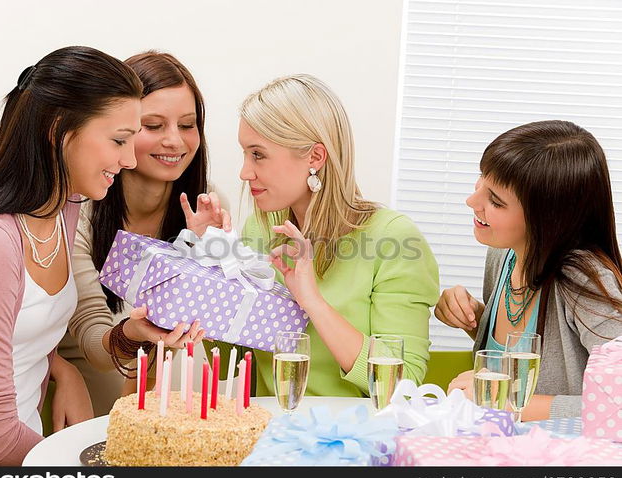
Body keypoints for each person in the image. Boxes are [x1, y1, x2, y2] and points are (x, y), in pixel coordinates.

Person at [0, 46, 144, 466]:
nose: (129, 159)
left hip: (23, 450)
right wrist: (83, 467)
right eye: (119, 140)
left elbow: (8, 332)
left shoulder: (64, 209)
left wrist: (62, 366)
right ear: (59, 130)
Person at [194, 74, 439, 397]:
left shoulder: (394, 241)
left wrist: (311, 301)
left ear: (315, 158)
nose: (244, 172)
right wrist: (212, 265)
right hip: (274, 435)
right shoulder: (261, 229)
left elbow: (401, 386)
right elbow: (231, 363)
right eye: (245, 154)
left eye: (258, 154)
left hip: (357, 439)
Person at [61, 51, 226, 413]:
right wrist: (138, 330)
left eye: (187, 125)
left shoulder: (205, 208)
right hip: (90, 412)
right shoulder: (78, 209)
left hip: (172, 416)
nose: (175, 141)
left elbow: (218, 336)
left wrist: (208, 255)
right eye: (153, 126)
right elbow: (95, 346)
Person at [436, 120, 622, 420]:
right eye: (481, 180)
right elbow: (521, 356)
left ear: (546, 218)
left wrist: (503, 400)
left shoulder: (584, 280)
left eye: (495, 201)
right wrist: (474, 320)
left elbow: (618, 406)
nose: (472, 201)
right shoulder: (504, 254)